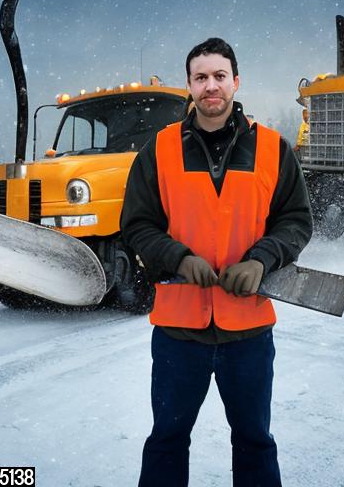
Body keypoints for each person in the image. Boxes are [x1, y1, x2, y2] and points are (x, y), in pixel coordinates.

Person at [121, 37, 312, 487]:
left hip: (248, 330)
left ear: (235, 82)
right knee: (167, 439)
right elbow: (137, 223)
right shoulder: (160, 150)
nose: (211, 86)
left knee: (254, 441)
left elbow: (296, 222)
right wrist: (179, 259)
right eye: (201, 77)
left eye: (219, 76)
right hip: (178, 331)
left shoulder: (272, 148)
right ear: (188, 85)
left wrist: (261, 261)